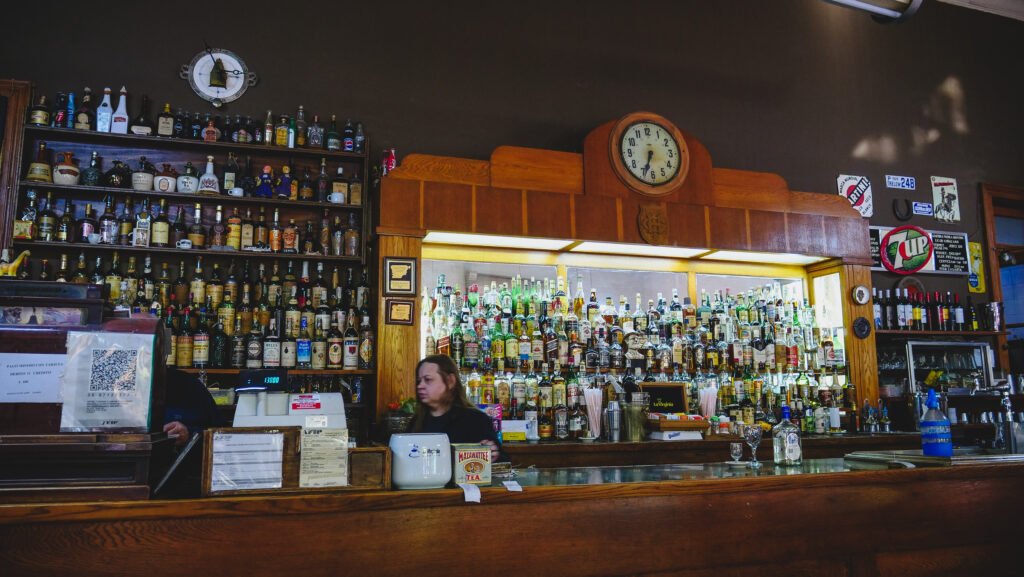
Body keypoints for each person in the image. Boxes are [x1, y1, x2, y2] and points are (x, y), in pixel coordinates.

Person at [410, 354, 506, 462]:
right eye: (419, 381)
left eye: (428, 380)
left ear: (450, 381)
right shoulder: (416, 422)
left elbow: (503, 462)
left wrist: (493, 456)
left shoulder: (476, 420)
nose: (420, 386)